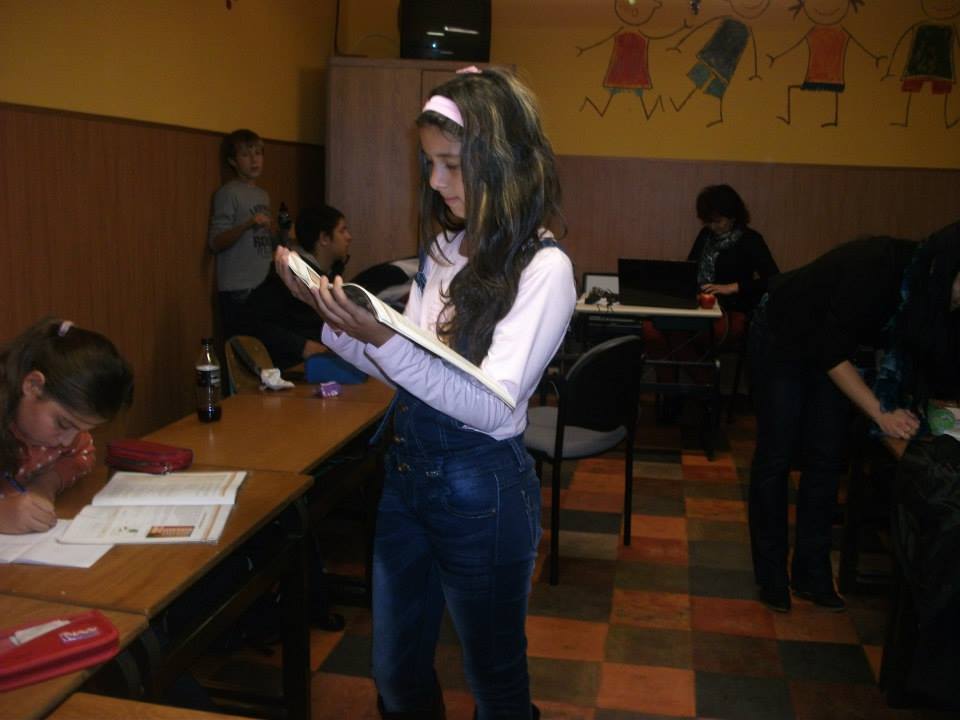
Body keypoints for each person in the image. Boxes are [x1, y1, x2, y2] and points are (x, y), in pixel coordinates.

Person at [276, 67, 576, 720]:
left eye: (451, 164)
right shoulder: (444, 248)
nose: (436, 181)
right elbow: (406, 375)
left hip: (481, 487)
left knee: (495, 682)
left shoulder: (545, 268)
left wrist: (382, 339)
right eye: (429, 164)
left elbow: (490, 406)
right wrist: (333, 318)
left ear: (502, 160)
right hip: (408, 473)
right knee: (395, 672)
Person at [749, 220, 960, 613]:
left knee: (827, 458)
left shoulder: (933, 293)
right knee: (777, 456)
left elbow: (934, 362)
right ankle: (771, 573)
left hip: (833, 349)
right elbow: (830, 350)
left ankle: (811, 574)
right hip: (783, 333)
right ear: (948, 266)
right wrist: (882, 412)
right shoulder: (878, 266)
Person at [643, 184, 778, 400]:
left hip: (730, 311)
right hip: (697, 306)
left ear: (733, 216)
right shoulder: (705, 235)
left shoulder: (750, 240)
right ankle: (674, 393)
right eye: (708, 221)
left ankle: (700, 390)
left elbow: (773, 279)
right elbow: (691, 268)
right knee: (651, 330)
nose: (713, 227)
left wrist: (733, 287)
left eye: (718, 221)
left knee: (676, 333)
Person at [0, 318, 133, 534]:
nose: (67, 440)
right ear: (33, 386)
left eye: (81, 429)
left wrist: (45, 486)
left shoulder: (61, 433)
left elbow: (80, 454)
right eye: (62, 423)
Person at [248, 205, 352, 369]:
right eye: (342, 230)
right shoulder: (289, 275)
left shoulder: (329, 274)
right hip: (292, 369)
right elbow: (254, 322)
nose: (349, 237)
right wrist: (302, 346)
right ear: (324, 238)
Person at [208, 129, 276, 341]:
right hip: (239, 289)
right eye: (246, 155)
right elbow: (216, 242)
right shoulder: (229, 193)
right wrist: (247, 225)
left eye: (258, 153)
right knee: (242, 351)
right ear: (233, 161)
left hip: (262, 286)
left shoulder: (262, 195)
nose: (254, 160)